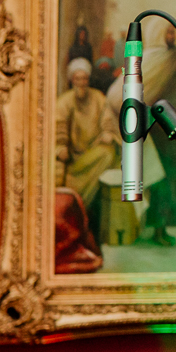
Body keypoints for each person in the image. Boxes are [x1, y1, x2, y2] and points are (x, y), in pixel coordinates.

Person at [54, 57, 116, 240]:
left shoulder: (98, 98)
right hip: (73, 159)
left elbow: (108, 123)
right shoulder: (64, 102)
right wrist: (60, 148)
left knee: (108, 153)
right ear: (72, 80)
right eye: (77, 79)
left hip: (93, 154)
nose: (81, 83)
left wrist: (107, 134)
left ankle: (84, 209)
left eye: (84, 79)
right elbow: (59, 131)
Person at [143, 23, 176, 243]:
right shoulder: (152, 58)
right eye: (168, 33)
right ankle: (157, 229)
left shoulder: (174, 56)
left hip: (175, 128)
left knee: (174, 177)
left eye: (174, 32)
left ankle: (168, 225)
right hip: (157, 131)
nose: (173, 37)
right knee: (160, 179)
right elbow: (144, 93)